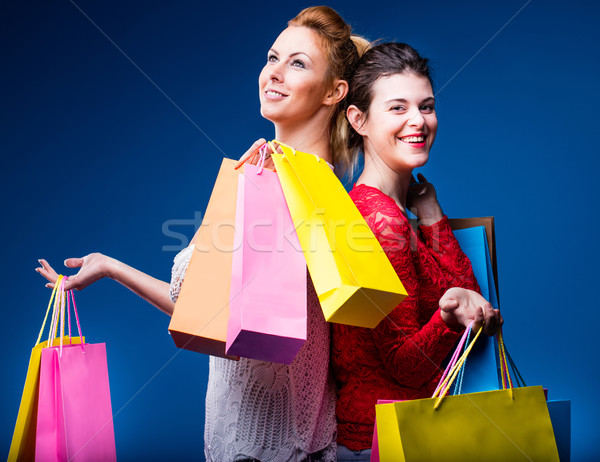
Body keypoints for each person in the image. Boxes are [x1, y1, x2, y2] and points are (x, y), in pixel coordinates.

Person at [36, 6, 368, 461]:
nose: (274, 73)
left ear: (335, 91)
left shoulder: (308, 194)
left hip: (274, 450)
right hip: (235, 442)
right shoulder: (263, 176)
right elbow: (205, 311)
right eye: (272, 57)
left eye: (298, 63)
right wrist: (111, 267)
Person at [330, 42, 504, 460]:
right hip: (384, 441)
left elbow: (472, 297)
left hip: (411, 432)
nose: (418, 121)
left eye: (426, 106)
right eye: (397, 108)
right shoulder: (381, 223)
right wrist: (447, 317)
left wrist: (431, 213)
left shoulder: (398, 213)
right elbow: (403, 364)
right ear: (359, 120)